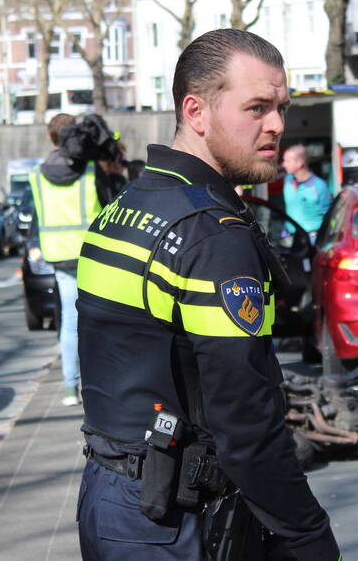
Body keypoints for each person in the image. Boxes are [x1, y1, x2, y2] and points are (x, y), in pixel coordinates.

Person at [75, 29, 340, 560]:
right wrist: (311, 538)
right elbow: (245, 423)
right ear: (196, 112)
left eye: (281, 108)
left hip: (109, 501)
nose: (277, 127)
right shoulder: (213, 235)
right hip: (174, 518)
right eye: (257, 107)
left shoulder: (129, 205)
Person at [28, 113, 117, 406]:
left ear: (51, 138)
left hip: (58, 255)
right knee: (102, 318)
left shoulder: (36, 175)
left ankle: (69, 388)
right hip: (92, 253)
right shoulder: (91, 170)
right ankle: (103, 381)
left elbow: (37, 217)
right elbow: (111, 207)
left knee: (69, 321)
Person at [280, 144, 331, 243]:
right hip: (290, 237)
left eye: (287, 161)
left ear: (299, 163)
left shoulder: (319, 185)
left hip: (312, 239)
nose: (283, 164)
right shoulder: (288, 180)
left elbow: (329, 214)